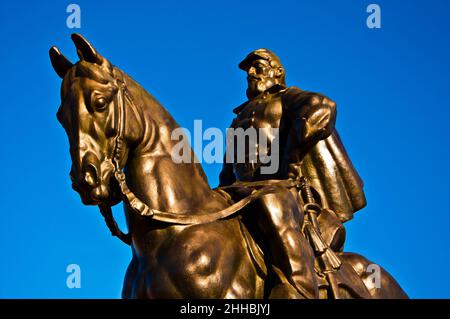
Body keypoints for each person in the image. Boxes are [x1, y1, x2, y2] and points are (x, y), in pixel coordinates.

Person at [218, 49, 366, 298]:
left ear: (277, 73)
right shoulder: (238, 119)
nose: (252, 73)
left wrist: (291, 156)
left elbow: (323, 107)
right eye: (249, 70)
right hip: (240, 193)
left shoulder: (287, 99)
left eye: (258, 66)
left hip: (284, 191)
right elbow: (227, 171)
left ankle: (299, 287)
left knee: (269, 200)